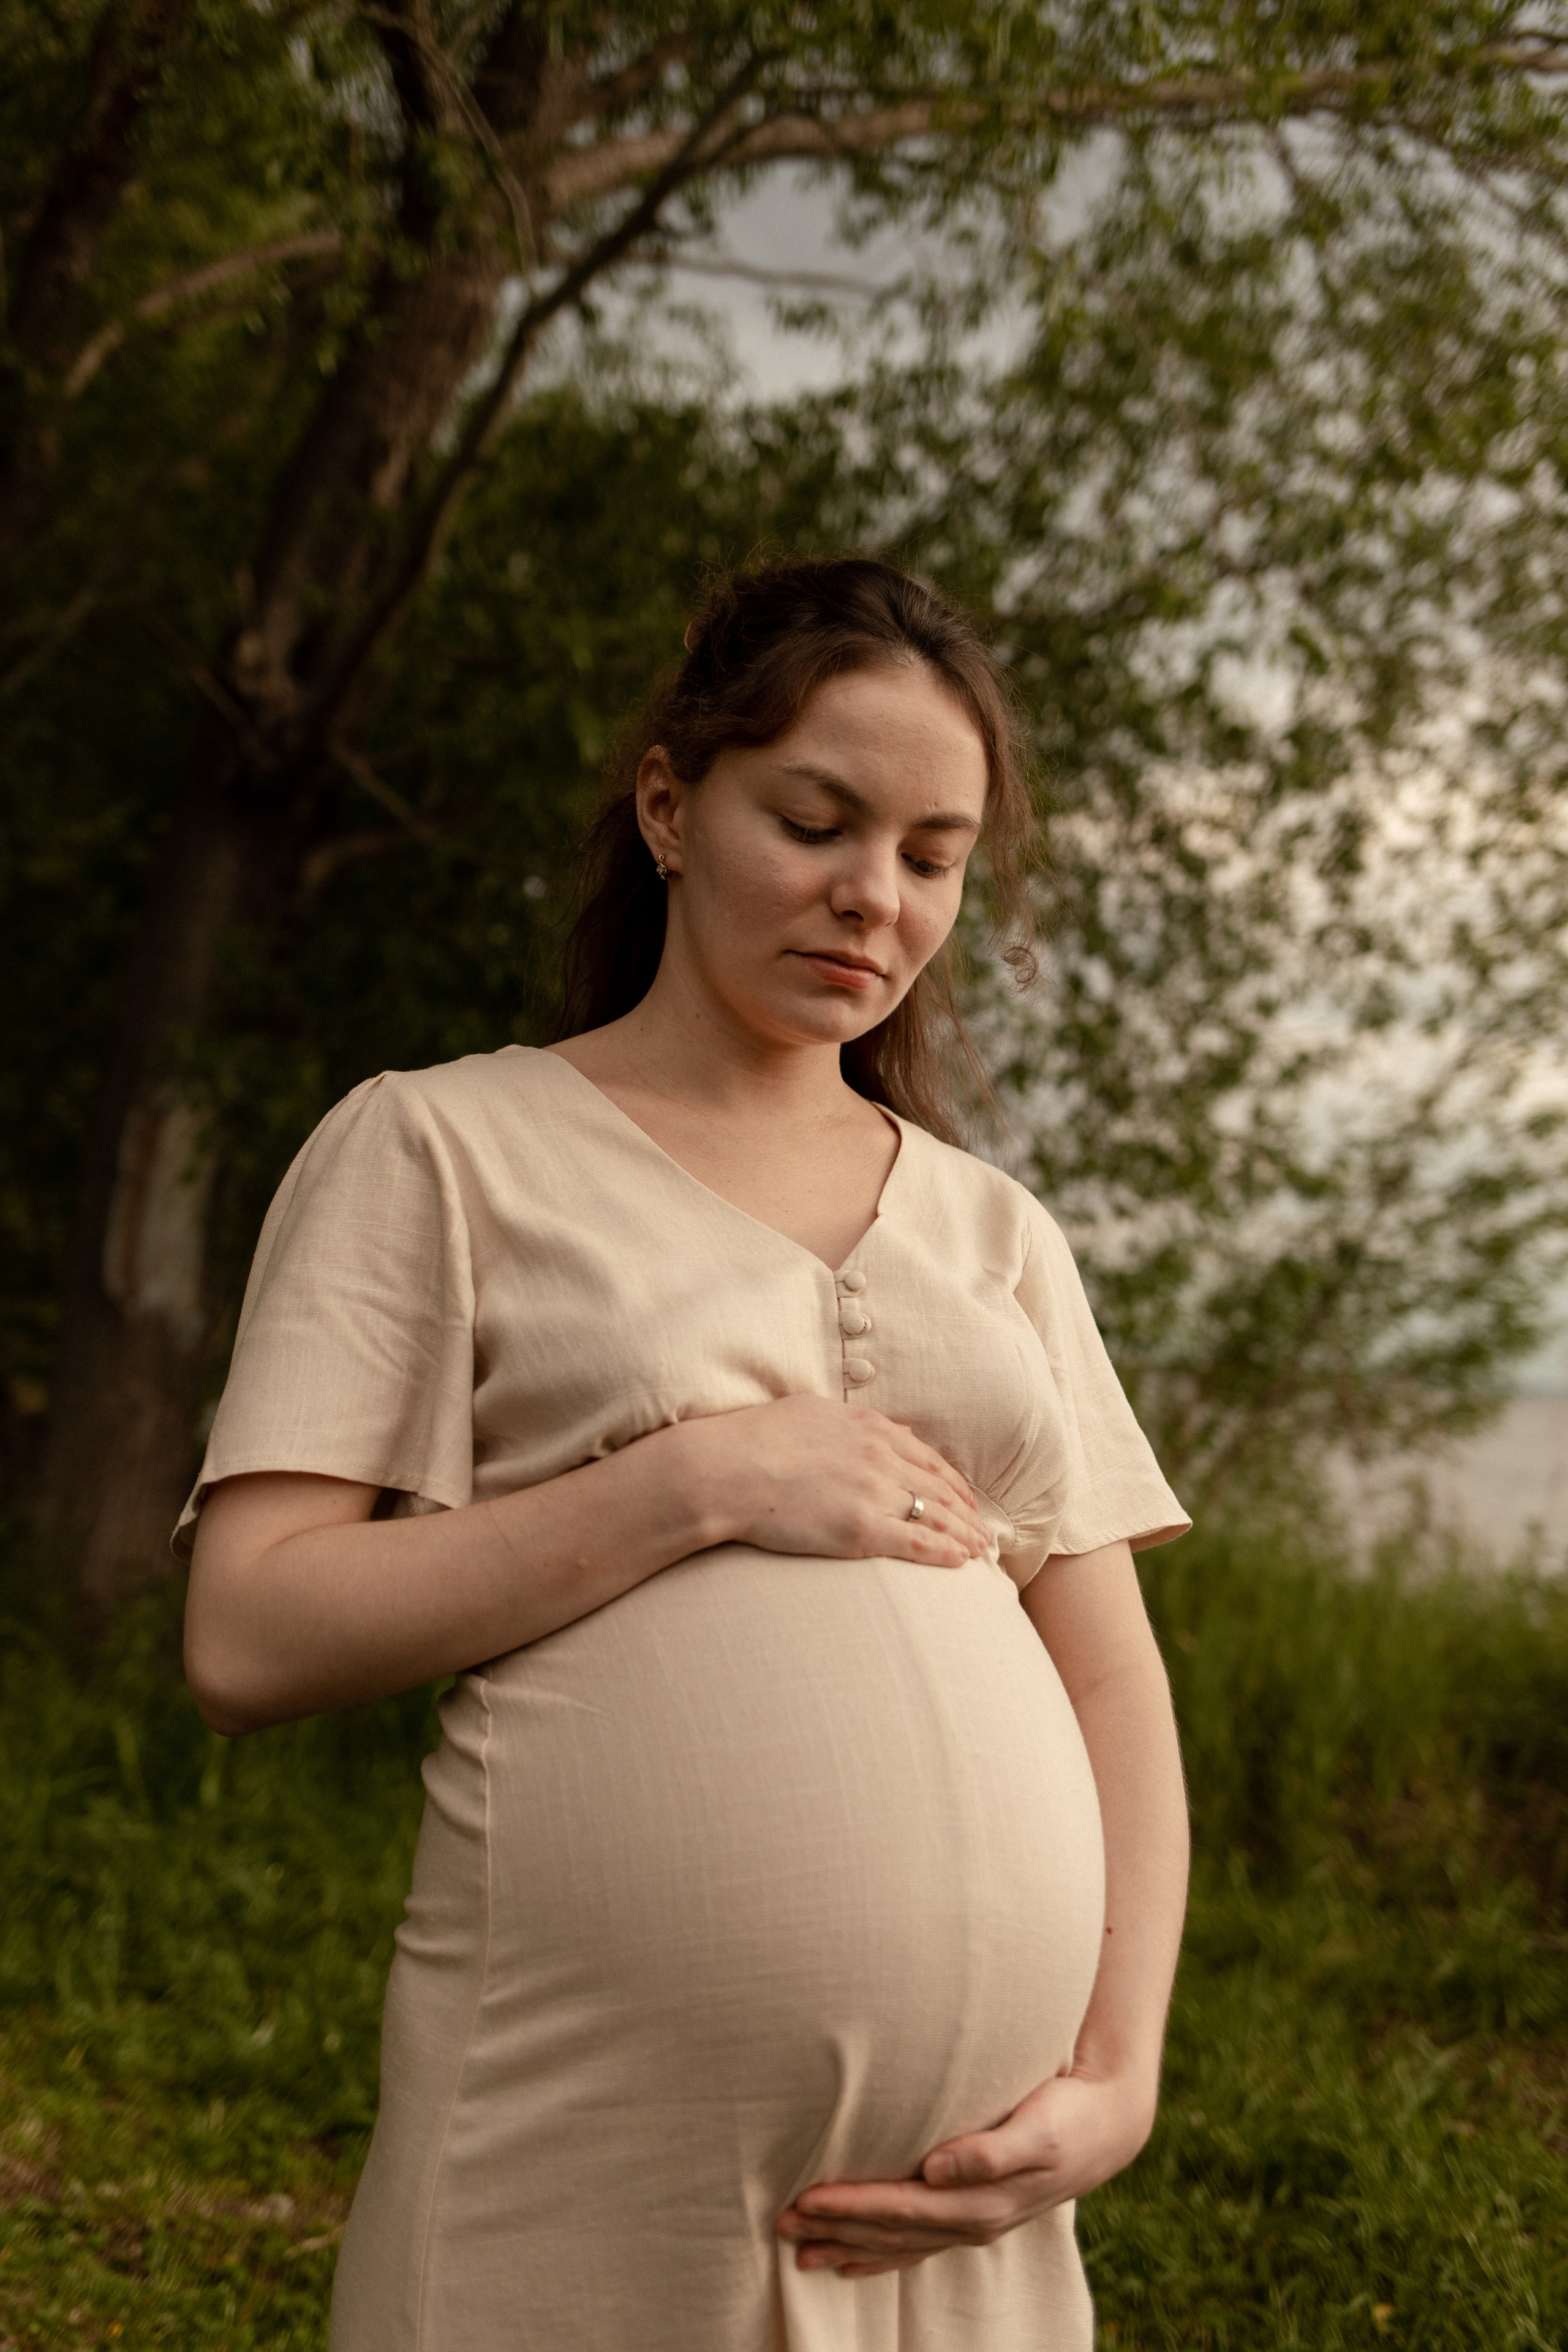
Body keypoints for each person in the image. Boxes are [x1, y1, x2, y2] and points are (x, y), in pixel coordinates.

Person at [181, 556, 1191, 2352]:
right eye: (814, 820)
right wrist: (695, 1483)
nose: (871, 898)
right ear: (668, 802)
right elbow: (249, 1636)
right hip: (581, 2176)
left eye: (932, 856)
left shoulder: (995, 1231)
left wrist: (1118, 2072)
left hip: (965, 2224)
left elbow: (1108, 1675)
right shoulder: (438, 1149)